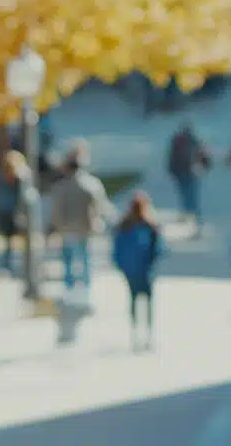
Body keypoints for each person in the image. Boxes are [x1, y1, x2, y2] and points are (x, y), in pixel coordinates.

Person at [47, 140, 115, 293]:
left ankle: (70, 288)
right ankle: (84, 289)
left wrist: (54, 226)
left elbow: (56, 210)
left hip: (68, 229)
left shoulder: (62, 186)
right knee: (83, 259)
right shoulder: (90, 184)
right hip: (83, 228)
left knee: (70, 260)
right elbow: (101, 206)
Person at [112, 192, 166, 351]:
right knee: (147, 302)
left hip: (132, 271)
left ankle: (136, 333)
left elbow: (117, 251)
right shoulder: (150, 227)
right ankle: (147, 334)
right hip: (145, 271)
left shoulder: (124, 227)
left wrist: (122, 266)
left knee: (134, 301)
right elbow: (159, 250)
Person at [167, 122, 211, 235]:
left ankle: (192, 222)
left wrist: (172, 171)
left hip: (183, 173)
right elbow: (205, 157)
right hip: (190, 173)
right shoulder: (194, 142)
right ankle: (194, 223)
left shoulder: (178, 142)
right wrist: (205, 167)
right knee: (191, 198)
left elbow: (171, 158)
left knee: (187, 198)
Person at [0, 150, 28, 273]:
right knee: (22, 240)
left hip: (4, 211)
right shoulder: (19, 177)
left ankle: (6, 265)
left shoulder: (2, 176)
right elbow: (23, 196)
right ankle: (19, 264)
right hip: (15, 212)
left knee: (8, 242)